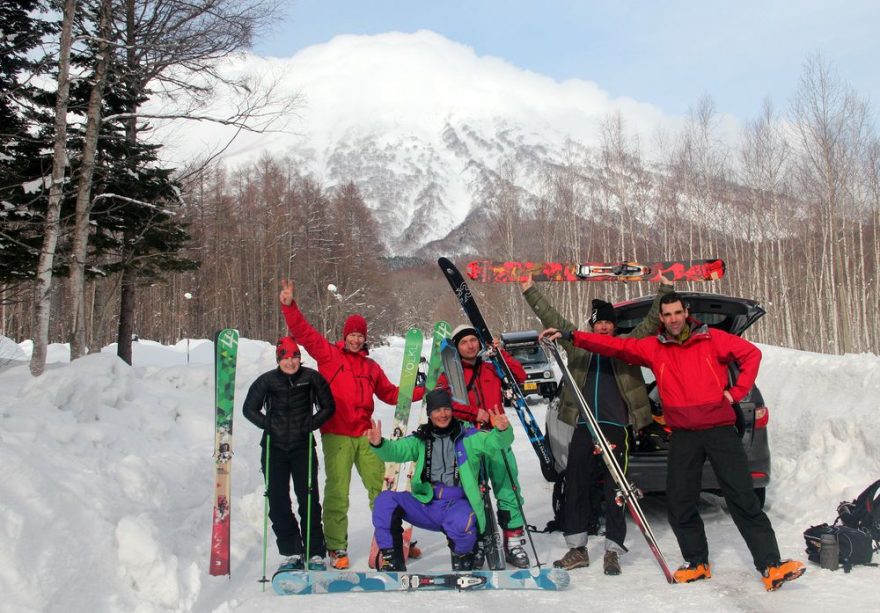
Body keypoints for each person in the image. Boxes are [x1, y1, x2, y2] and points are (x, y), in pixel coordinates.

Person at [539, 291, 806, 591]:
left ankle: (770, 564)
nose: (673, 319)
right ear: (661, 318)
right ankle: (696, 562)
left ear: (685, 312)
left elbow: (751, 355)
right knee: (680, 501)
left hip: (719, 431)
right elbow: (613, 345)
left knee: (743, 498)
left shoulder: (712, 338)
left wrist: (735, 393)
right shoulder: (654, 347)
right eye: (666, 315)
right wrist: (572, 336)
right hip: (682, 435)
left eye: (677, 313)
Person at [521, 274, 673, 575]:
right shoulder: (580, 346)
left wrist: (665, 288)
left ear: (614, 326)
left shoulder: (627, 346)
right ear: (592, 325)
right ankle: (577, 549)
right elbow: (554, 318)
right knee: (575, 484)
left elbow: (653, 320)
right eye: (599, 322)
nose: (603, 326)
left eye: (608, 322)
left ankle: (613, 551)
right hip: (585, 426)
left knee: (617, 489)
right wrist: (529, 290)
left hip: (616, 427)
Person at [279, 279, 424, 569]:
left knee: (381, 490)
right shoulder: (329, 355)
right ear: (344, 336)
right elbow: (304, 334)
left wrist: (422, 390)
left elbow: (390, 393)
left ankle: (391, 539)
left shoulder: (371, 367)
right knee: (337, 491)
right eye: (352, 334)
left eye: (360, 335)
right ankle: (336, 547)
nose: (356, 339)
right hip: (336, 434)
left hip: (366, 435)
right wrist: (289, 306)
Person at [367, 388, 514, 571]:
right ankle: (392, 559)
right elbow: (395, 451)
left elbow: (495, 443)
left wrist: (503, 430)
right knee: (385, 501)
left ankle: (464, 554)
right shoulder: (420, 439)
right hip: (426, 502)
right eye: (437, 410)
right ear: (429, 414)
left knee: (463, 523)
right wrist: (378, 444)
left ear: (452, 411)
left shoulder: (469, 437)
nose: (442, 414)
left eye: (446, 409)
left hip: (457, 504)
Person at [435, 325, 531, 568]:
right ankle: (475, 543)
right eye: (464, 342)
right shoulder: (449, 374)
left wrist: (501, 354)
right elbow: (442, 405)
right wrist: (473, 413)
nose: (470, 345)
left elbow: (520, 378)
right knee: (472, 495)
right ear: (456, 347)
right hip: (468, 441)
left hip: (496, 437)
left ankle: (514, 543)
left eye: (473, 340)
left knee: (508, 488)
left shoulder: (491, 368)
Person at [242, 336, 335, 569]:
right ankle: (292, 551)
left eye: (295, 357)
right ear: (278, 359)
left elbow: (328, 406)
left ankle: (314, 552)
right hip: (274, 448)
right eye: (286, 358)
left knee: (309, 498)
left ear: (300, 358)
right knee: (278, 500)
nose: (291, 362)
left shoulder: (311, 378)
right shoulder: (267, 381)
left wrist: (311, 424)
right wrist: (268, 424)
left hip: (303, 447)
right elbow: (248, 409)